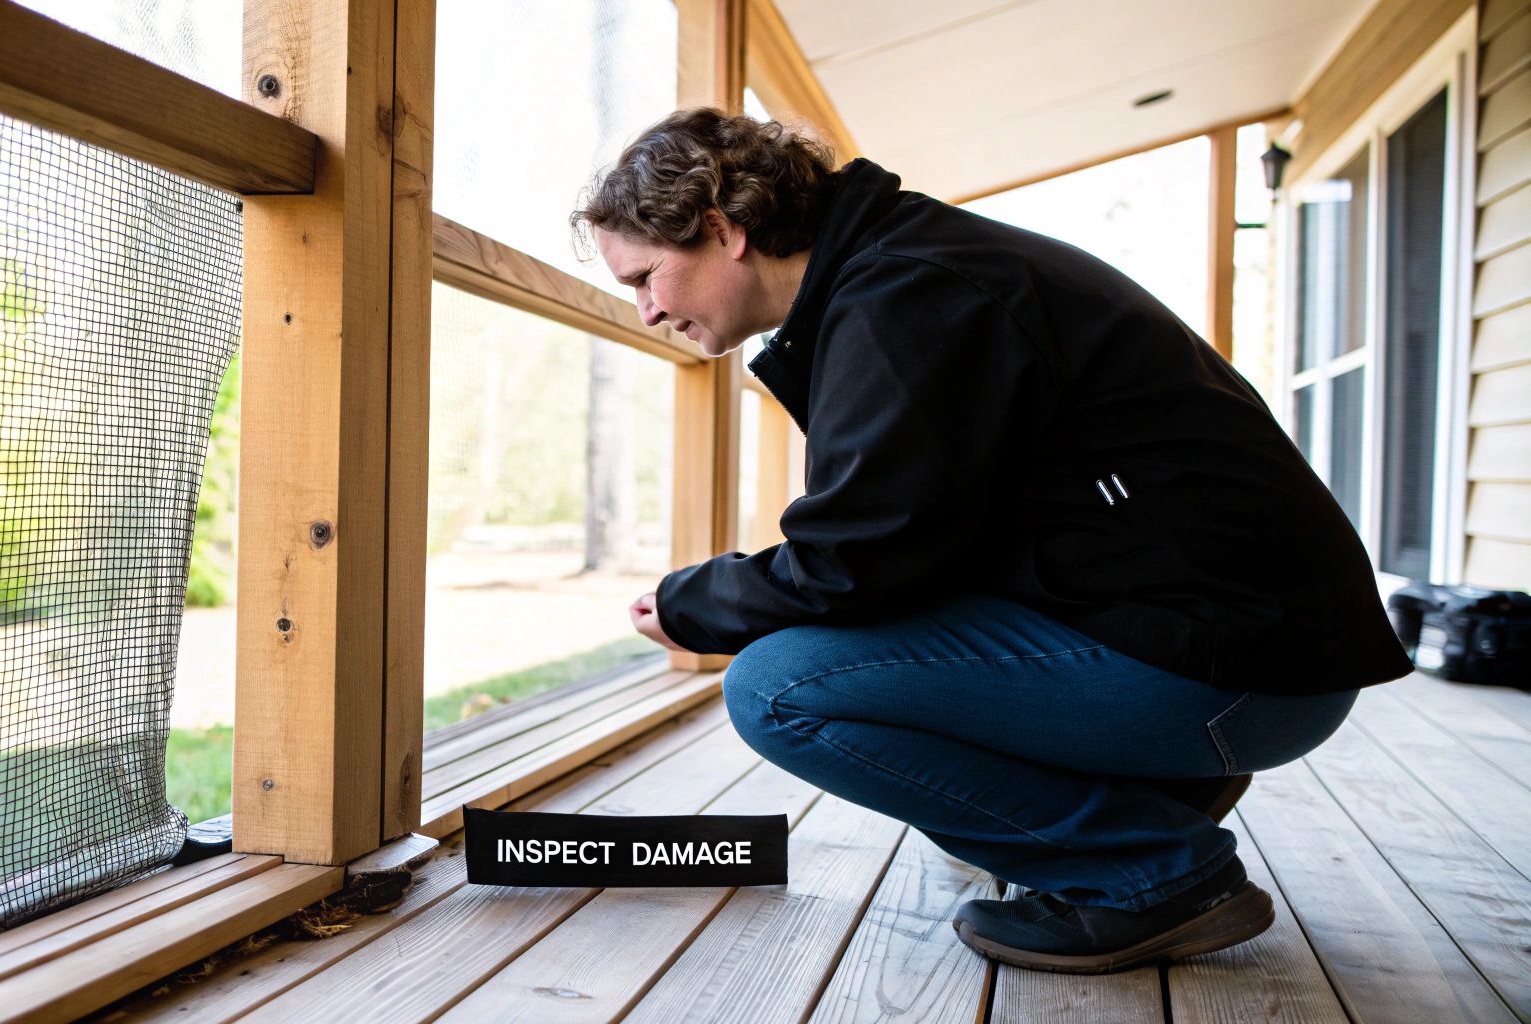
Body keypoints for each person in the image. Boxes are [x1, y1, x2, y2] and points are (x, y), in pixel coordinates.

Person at [570, 108, 1413, 975]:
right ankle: (1147, 802)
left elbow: (856, 559)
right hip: (1250, 652)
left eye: (645, 277)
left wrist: (692, 603)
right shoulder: (905, 268)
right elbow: (914, 543)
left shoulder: (910, 291)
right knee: (852, 652)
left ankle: (1152, 874)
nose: (644, 311)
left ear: (721, 228)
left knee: (781, 687)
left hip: (1244, 677)